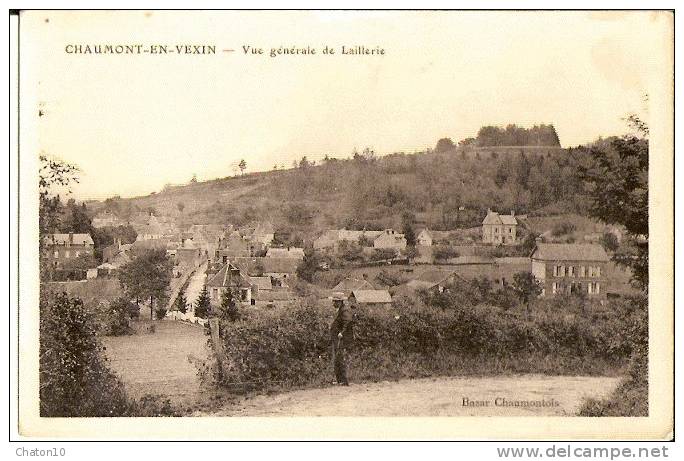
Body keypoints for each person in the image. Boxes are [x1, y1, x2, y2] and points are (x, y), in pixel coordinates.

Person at [330, 292, 354, 386]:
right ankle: (340, 380)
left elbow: (347, 322)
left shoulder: (345, 310)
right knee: (338, 358)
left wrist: (341, 333)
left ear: (339, 302)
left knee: (340, 358)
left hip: (343, 339)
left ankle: (343, 380)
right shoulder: (341, 309)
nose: (333, 303)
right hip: (339, 338)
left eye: (334, 301)